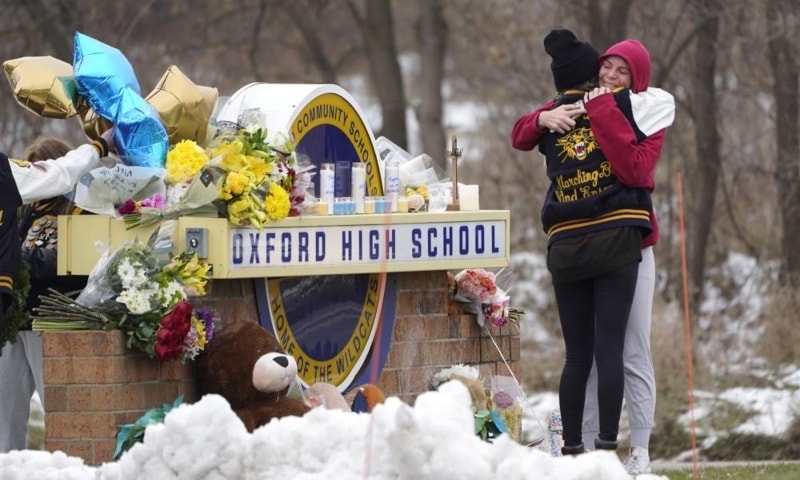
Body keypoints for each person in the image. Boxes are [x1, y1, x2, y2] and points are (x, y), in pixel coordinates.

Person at [511, 30, 672, 474]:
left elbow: (634, 169)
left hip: (633, 246)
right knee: (586, 355)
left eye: (623, 72)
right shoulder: (580, 101)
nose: (612, 75)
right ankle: (578, 452)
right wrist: (545, 120)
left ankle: (637, 449)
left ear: (635, 81)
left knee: (630, 350)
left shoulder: (644, 111)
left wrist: (602, 110)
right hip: (581, 242)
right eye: (608, 67)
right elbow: (522, 131)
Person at [0, 131, 114, 453]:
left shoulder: (81, 208)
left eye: (42, 168)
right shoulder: (22, 210)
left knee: (58, 408)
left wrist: (23, 262)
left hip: (50, 320)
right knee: (5, 413)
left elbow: (82, 260)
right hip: (15, 321)